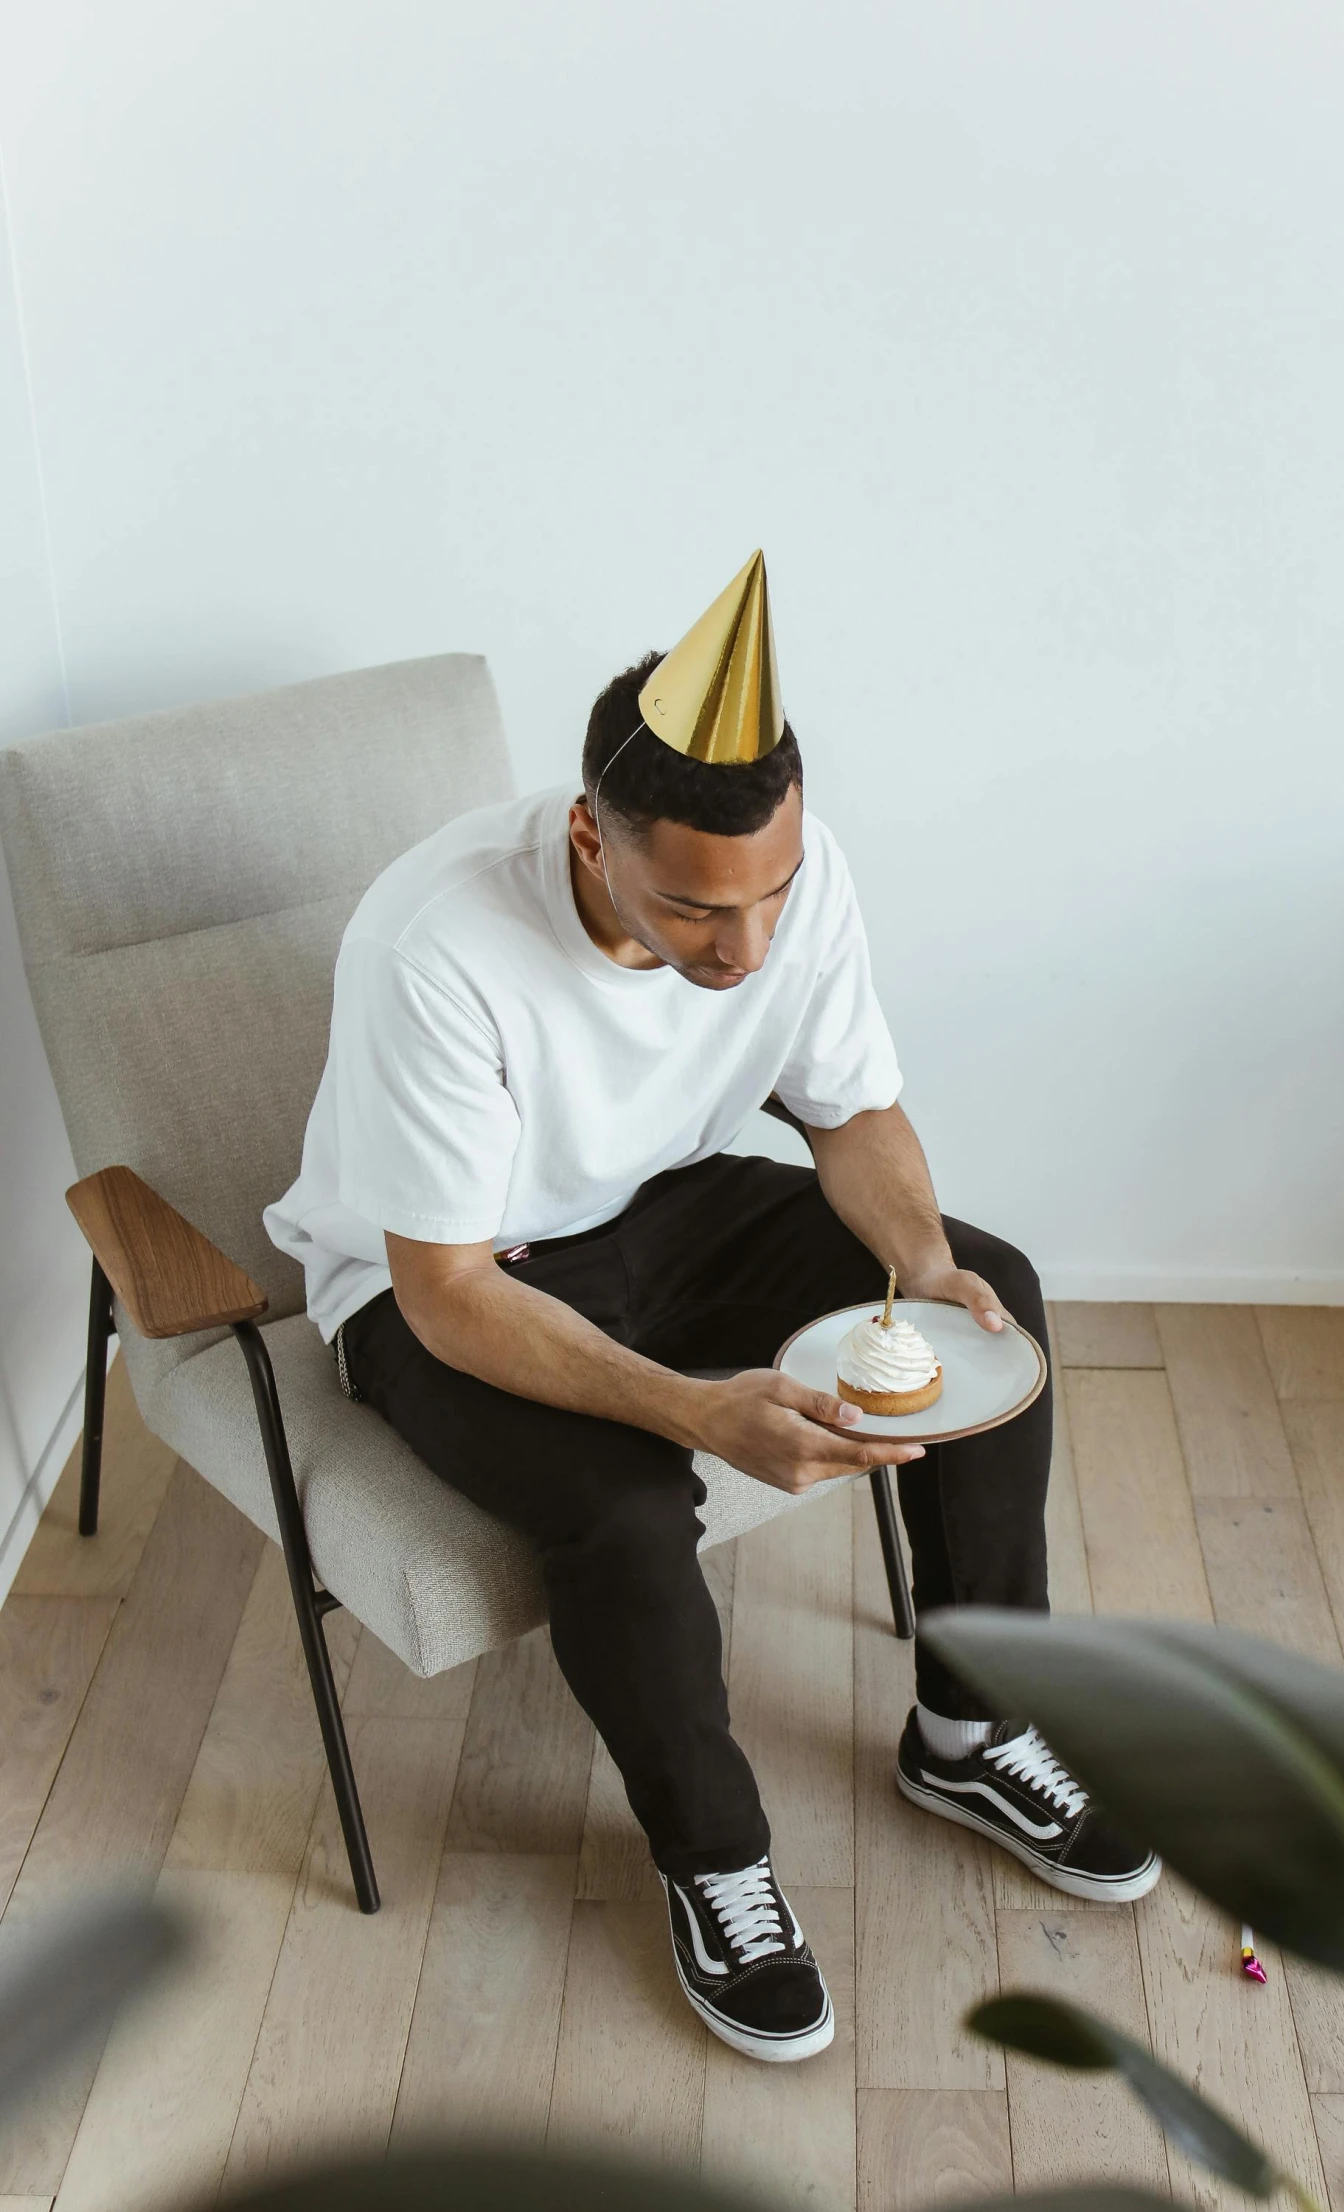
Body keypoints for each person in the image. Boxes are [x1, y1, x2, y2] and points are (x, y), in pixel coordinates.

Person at [266, 554, 1160, 2065]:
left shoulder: (786, 880)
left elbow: (852, 1110)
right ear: (586, 838)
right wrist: (693, 1411)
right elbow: (448, 1287)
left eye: (769, 897)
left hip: (659, 1204)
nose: (742, 948)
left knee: (995, 1295)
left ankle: (972, 1727)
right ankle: (714, 1863)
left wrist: (926, 1268)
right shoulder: (436, 951)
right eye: (691, 907)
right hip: (448, 1286)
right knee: (621, 1502)